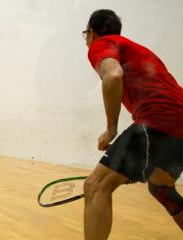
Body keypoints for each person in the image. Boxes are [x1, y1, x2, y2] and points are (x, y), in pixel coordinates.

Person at [83, 9, 183, 240]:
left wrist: (111, 129)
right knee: (161, 188)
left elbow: (113, 76)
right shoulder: (137, 49)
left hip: (157, 120)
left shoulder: (102, 44)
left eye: (85, 34)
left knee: (96, 186)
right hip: (177, 123)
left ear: (91, 33)